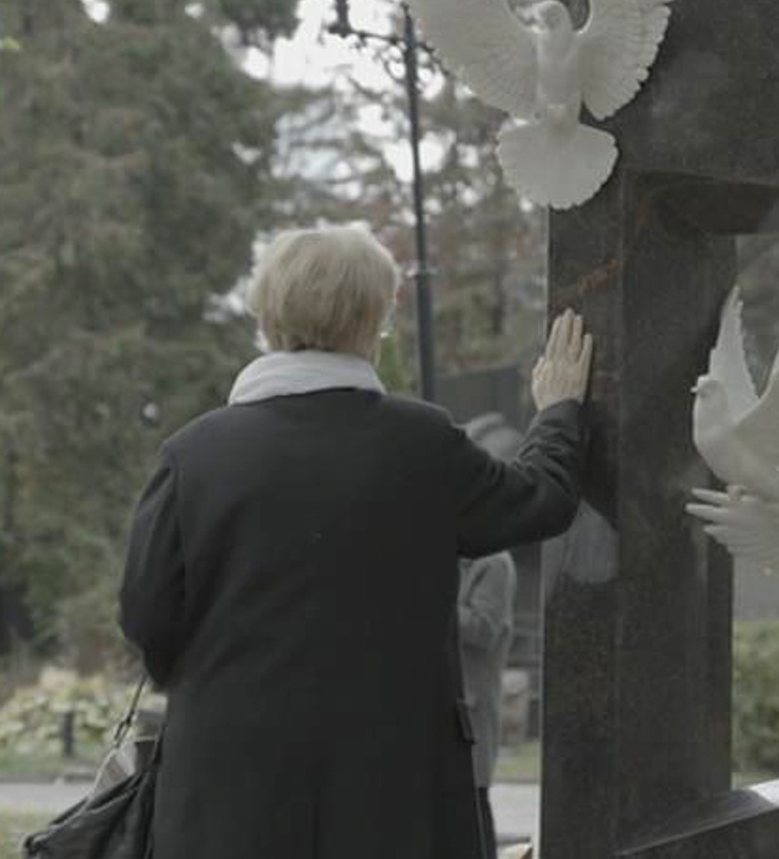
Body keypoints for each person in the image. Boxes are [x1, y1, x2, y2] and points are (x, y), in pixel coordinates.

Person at [118, 225, 592, 858]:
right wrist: (558, 410)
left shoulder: (193, 454)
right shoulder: (422, 444)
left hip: (226, 786)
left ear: (267, 318)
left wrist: (223, 686)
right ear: (373, 319)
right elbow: (541, 500)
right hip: (393, 788)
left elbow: (148, 619)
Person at [457, 549, 516, 857]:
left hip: (473, 705)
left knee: (474, 802)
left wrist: (428, 597)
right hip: (452, 704)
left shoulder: (493, 563)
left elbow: (484, 628)